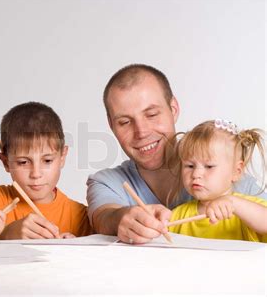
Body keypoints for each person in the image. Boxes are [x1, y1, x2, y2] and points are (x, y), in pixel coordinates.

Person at [86, 64, 267, 244]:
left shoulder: (225, 168)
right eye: (125, 122)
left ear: (173, 109)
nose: (141, 132)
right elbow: (104, 216)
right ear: (111, 125)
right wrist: (121, 218)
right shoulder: (106, 182)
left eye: (151, 115)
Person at [0, 102, 93, 240]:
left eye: (47, 161)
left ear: (62, 157)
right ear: (5, 161)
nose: (36, 174)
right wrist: (7, 234)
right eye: (23, 162)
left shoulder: (80, 216)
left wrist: (76, 249)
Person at [168, 119, 267, 242]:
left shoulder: (246, 208)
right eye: (189, 166)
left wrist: (233, 203)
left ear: (237, 171)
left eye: (209, 166)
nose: (196, 174)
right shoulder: (178, 215)